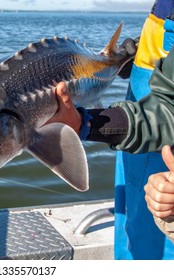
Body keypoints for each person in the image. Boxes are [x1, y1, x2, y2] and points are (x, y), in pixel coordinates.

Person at [49, 0, 174, 259]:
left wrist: (86, 123)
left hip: (157, 133)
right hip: (141, 97)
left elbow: (166, 113)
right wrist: (137, 51)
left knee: (153, 239)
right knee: (130, 218)